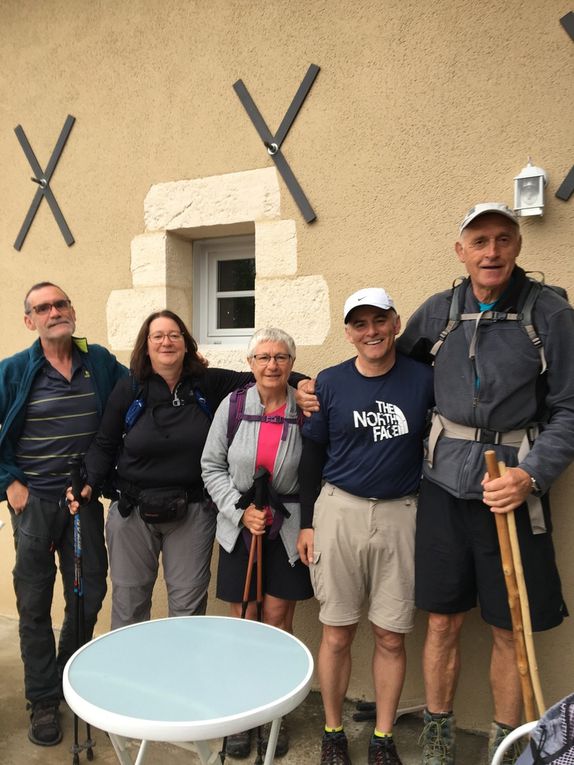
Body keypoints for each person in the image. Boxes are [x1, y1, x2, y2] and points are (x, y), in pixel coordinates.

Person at [396, 203, 574, 765]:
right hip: (443, 485)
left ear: (518, 245)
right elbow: (394, 369)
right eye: (479, 242)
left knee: (508, 625)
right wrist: (317, 389)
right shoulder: (439, 310)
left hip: (512, 490)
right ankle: (437, 736)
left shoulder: (550, 315)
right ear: (461, 252)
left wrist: (530, 474)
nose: (491, 253)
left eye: (502, 240)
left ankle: (503, 740)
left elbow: (571, 409)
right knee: (443, 618)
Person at [70, 311, 309, 634]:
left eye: (174, 335)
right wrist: (88, 482)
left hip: (191, 510)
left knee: (187, 609)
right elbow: (105, 441)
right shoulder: (130, 388)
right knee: (130, 603)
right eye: (158, 336)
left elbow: (263, 374)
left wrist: (303, 383)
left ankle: (180, 682)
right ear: (146, 345)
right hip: (133, 510)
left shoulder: (207, 384)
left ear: (186, 344)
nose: (166, 341)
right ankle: (128, 678)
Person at [298, 288, 435, 765]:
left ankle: (382, 738)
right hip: (339, 510)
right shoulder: (329, 383)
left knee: (391, 634)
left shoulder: (424, 380)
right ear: (349, 333)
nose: (371, 331)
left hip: (401, 512)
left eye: (380, 320)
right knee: (336, 631)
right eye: (360, 324)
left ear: (396, 323)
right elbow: (312, 455)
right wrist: (306, 522)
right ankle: (333, 732)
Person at [0, 282, 127, 746]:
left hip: (84, 502)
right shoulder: (14, 370)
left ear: (72, 309)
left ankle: (65, 677)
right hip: (34, 505)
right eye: (43, 307)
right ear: (29, 320)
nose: (55, 311)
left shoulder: (100, 363)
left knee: (88, 594)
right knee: (34, 604)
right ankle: (44, 700)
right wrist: (10, 483)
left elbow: (145, 384)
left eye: (61, 303)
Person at [201, 328, 313, 759]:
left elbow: (317, 466)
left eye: (281, 357)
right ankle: (243, 714)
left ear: (291, 362)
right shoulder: (232, 406)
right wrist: (237, 509)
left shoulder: (304, 409)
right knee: (244, 621)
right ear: (250, 363)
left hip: (286, 527)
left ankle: (272, 715)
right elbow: (211, 466)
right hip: (241, 527)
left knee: (277, 623)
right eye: (263, 357)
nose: (272, 365)